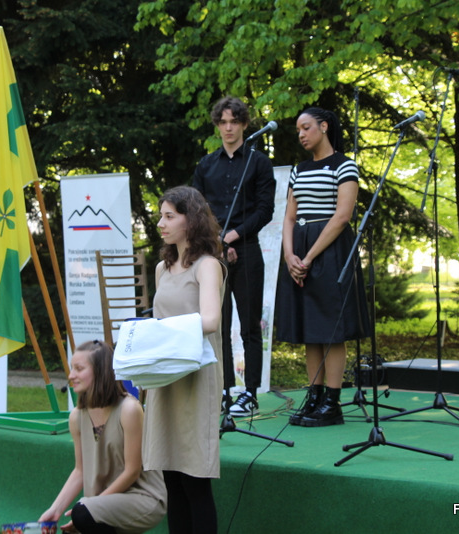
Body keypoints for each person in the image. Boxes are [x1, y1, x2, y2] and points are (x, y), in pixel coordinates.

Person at [275, 107, 370, 428]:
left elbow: (342, 216)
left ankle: (332, 403)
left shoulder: (344, 165)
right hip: (299, 248)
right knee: (310, 330)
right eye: (298, 130)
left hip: (330, 251)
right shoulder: (299, 169)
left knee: (331, 329)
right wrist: (290, 255)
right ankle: (314, 397)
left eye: (306, 127)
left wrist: (309, 256)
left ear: (324, 126)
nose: (301, 134)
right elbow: (289, 216)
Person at [142, 185, 226, 533]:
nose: (160, 223)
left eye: (169, 216)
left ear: (191, 220)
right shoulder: (162, 268)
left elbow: (211, 320)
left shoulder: (208, 266)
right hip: (164, 378)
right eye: (160, 216)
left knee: (194, 481)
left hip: (196, 377)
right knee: (172, 480)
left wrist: (161, 331)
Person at [192, 96, 276, 418]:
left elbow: (264, 210)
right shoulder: (206, 165)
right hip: (213, 253)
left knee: (250, 325)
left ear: (244, 124)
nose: (228, 128)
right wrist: (217, 240)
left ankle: (250, 392)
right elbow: (198, 209)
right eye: (223, 122)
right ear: (217, 126)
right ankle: (224, 391)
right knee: (219, 325)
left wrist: (234, 235)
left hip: (247, 250)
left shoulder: (258, 162)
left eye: (234, 122)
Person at [39, 340, 166, 534]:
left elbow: (132, 472)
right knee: (77, 522)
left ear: (100, 371)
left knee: (82, 515)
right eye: (72, 369)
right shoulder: (76, 417)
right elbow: (80, 471)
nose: (71, 376)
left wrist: (91, 507)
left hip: (143, 498)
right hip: (102, 502)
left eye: (79, 369)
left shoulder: (129, 409)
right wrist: (55, 510)